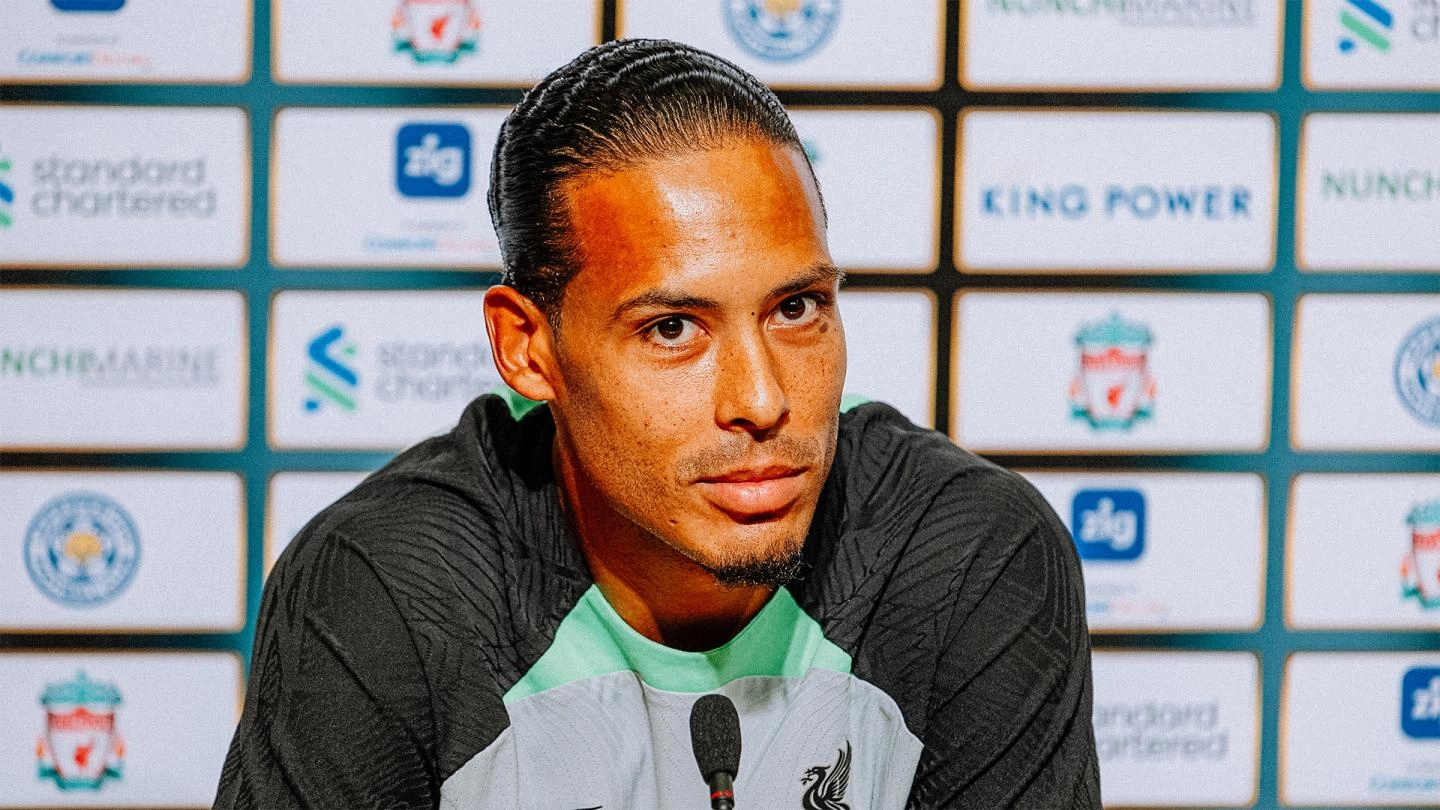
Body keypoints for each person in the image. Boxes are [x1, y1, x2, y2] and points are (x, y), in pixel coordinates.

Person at [215, 39, 1099, 809]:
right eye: (672, 329)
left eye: (796, 309)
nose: (761, 400)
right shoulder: (394, 588)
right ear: (529, 349)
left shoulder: (965, 556)